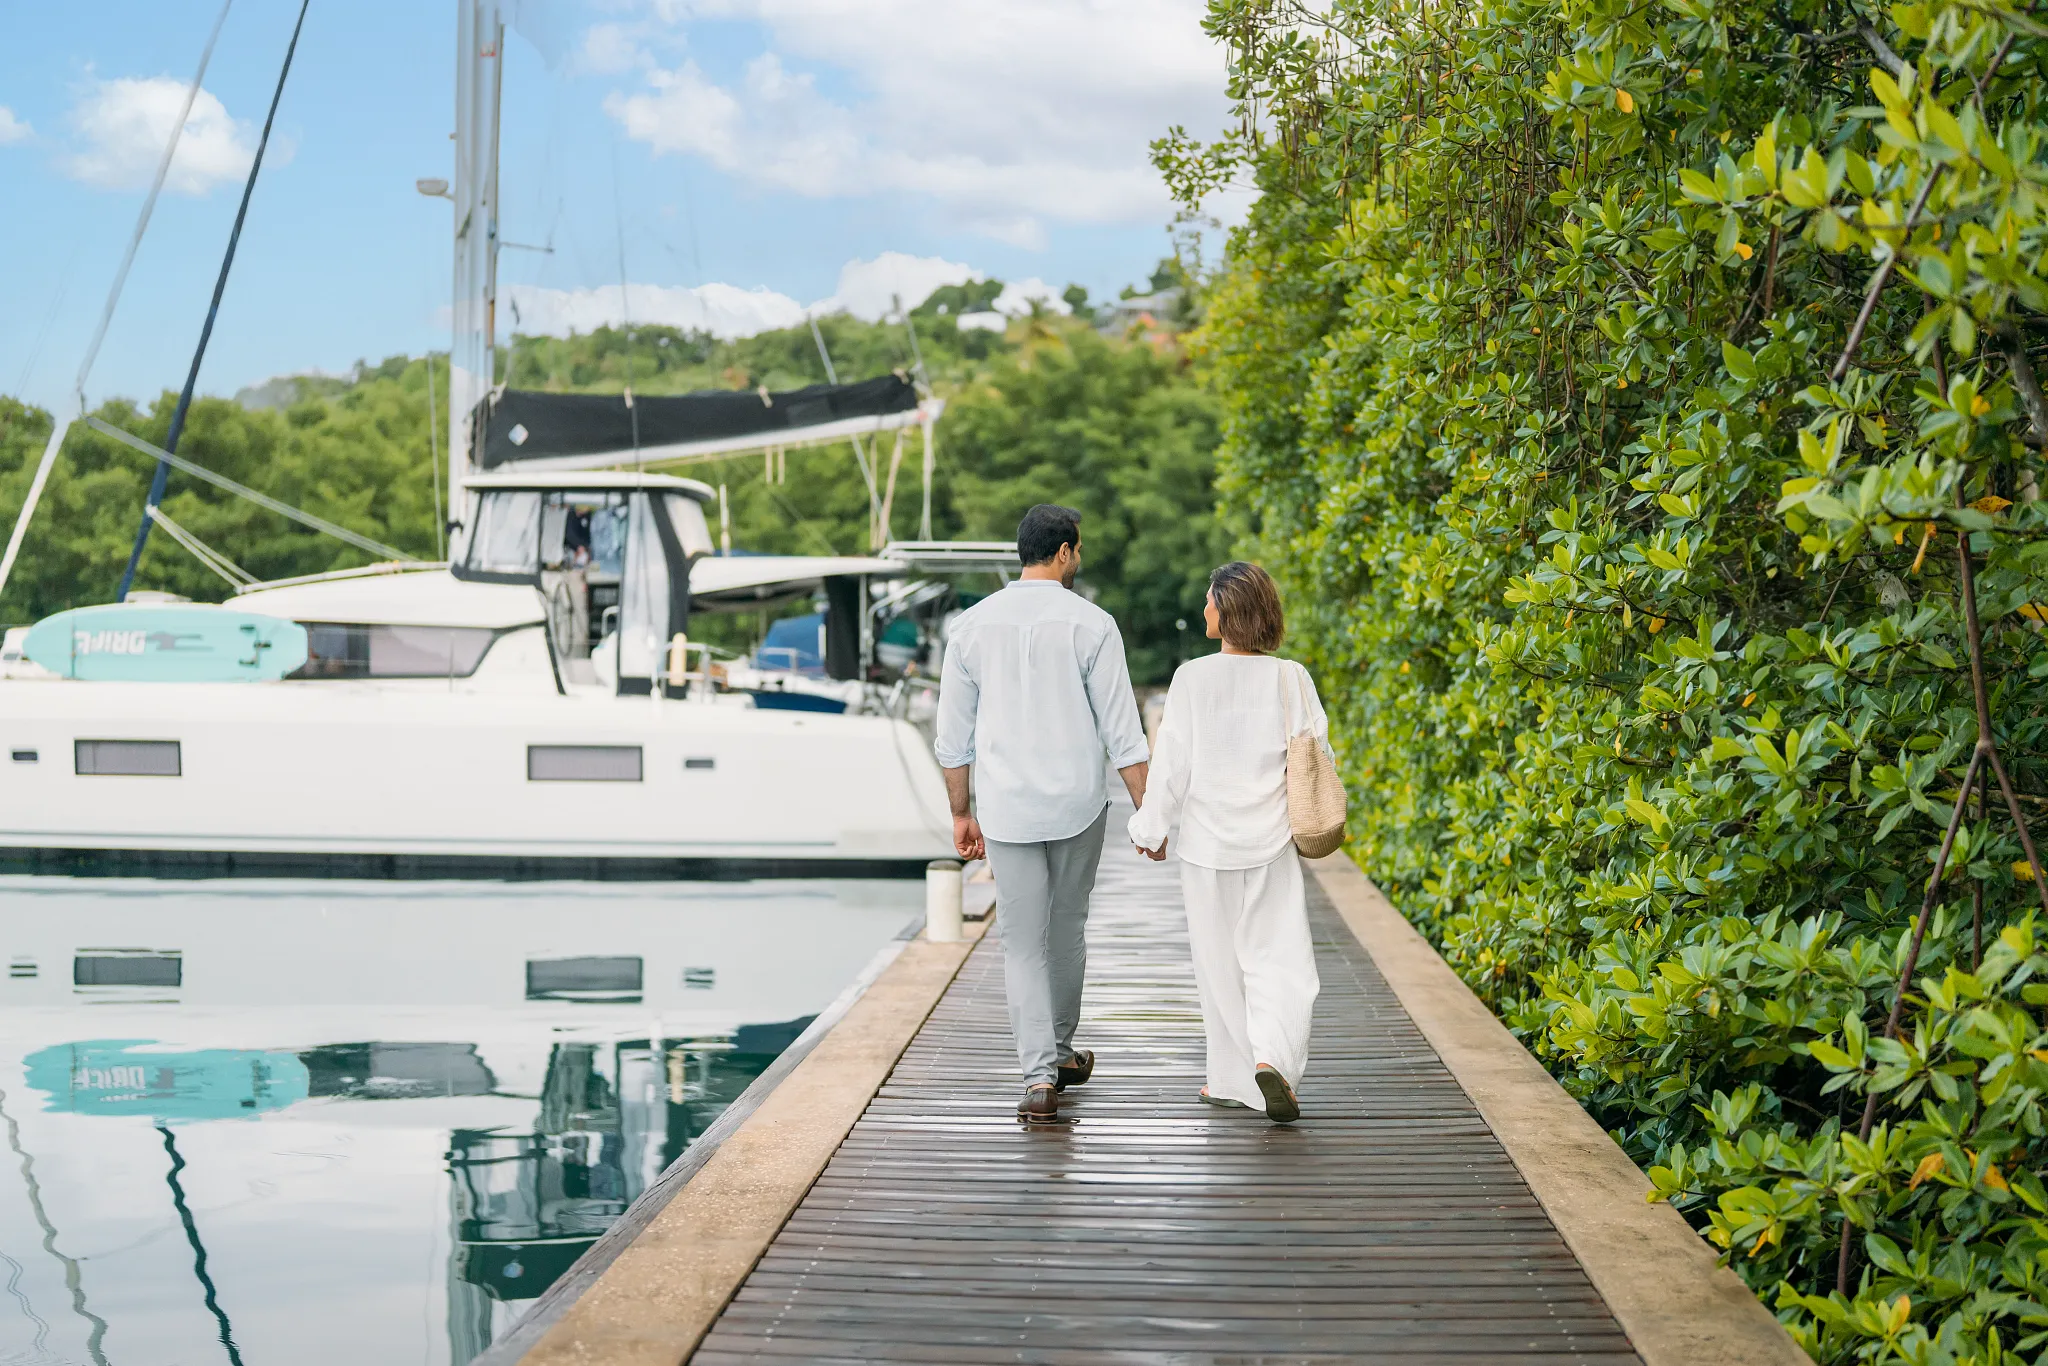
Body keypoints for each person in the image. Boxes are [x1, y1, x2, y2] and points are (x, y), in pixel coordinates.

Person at [934, 504, 1151, 1123]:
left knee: (1021, 943)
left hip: (1006, 809)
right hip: (1079, 804)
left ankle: (1039, 1077)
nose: (1078, 560)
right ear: (1062, 553)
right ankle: (1057, 1051)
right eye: (1077, 551)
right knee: (1067, 930)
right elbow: (1124, 733)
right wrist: (1149, 814)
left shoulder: (971, 627)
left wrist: (960, 813)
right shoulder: (1094, 625)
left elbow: (953, 738)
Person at [1127, 561, 1326, 1124]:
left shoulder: (1191, 677)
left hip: (1207, 847)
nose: (1204, 610)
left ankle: (1231, 1080)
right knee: (1281, 963)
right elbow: (1316, 757)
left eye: (1211, 601)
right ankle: (1275, 1061)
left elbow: (1172, 763)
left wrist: (1152, 827)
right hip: (1271, 843)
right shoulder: (1291, 677)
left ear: (1229, 609)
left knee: (1219, 967)